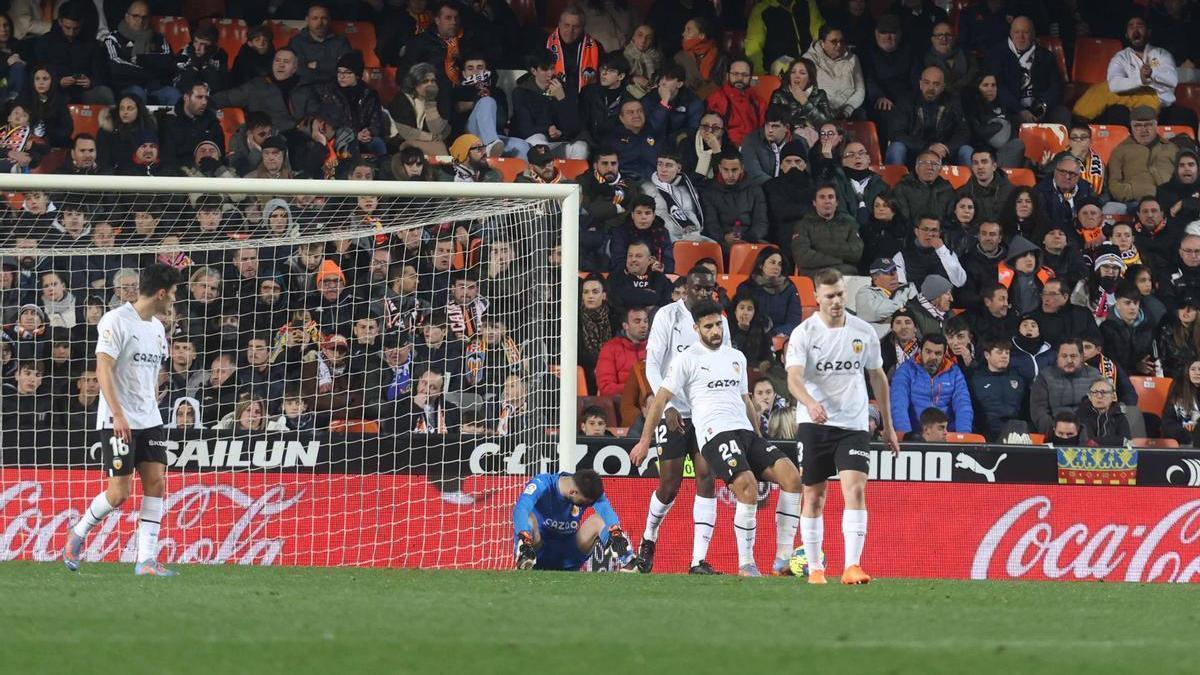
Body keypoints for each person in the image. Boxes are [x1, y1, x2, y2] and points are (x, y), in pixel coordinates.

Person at [632, 298, 805, 577]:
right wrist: (644, 440)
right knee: (745, 487)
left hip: (746, 433)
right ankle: (746, 564)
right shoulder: (686, 360)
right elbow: (660, 399)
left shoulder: (736, 358)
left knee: (793, 478)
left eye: (718, 325)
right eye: (708, 326)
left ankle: (782, 560)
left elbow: (746, 400)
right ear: (696, 328)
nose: (715, 331)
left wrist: (759, 438)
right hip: (715, 435)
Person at [63, 263, 182, 576]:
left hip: (150, 418)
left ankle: (145, 560)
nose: (173, 299)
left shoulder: (157, 327)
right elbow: (103, 368)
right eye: (171, 294)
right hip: (118, 419)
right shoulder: (115, 320)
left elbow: (153, 372)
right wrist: (118, 413)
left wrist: (152, 398)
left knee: (156, 482)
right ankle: (79, 531)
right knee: (119, 494)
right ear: (160, 293)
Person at [785, 267, 900, 584]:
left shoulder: (863, 332)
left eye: (840, 295)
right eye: (829, 296)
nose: (836, 301)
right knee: (814, 495)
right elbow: (793, 378)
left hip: (852, 424)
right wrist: (810, 402)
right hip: (814, 423)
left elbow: (877, 377)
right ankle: (816, 568)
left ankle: (852, 566)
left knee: (856, 488)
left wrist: (888, 426)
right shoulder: (804, 334)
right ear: (817, 297)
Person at [628, 268, 727, 575]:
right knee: (669, 485)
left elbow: (724, 361)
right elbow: (653, 366)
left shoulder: (718, 320)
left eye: (708, 289)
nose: (702, 294)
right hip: (674, 411)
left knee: (706, 478)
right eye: (697, 288)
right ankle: (648, 539)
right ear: (686, 288)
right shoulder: (667, 317)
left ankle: (698, 560)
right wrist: (666, 403)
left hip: (705, 412)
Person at [1074, 16, 1195, 129]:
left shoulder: (1162, 54)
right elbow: (1114, 84)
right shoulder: (1120, 58)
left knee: (1186, 115)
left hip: (1161, 105)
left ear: (1148, 32)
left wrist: (1151, 74)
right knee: (1107, 96)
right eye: (1131, 27)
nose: (1135, 30)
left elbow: (1172, 80)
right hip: (1130, 105)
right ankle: (1078, 121)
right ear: (1127, 35)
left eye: (1140, 26)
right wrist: (1140, 80)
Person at [513, 469, 636, 571]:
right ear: (573, 492)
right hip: (538, 551)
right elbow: (521, 507)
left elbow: (606, 511)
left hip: (569, 554)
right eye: (584, 502)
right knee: (528, 516)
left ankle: (630, 562)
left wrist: (615, 533)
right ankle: (525, 556)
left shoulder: (585, 488)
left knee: (600, 521)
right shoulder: (542, 483)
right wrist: (525, 535)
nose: (585, 505)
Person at [983, 16, 1068, 125]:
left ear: (1033, 34)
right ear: (1010, 33)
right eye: (1016, 32)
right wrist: (1020, 110)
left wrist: (1043, 105)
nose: (1020, 37)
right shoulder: (996, 55)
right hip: (1011, 110)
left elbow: (1056, 85)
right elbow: (998, 88)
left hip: (1040, 109)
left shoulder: (1045, 56)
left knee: (1063, 114)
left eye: (1025, 32)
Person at [885, 65, 971, 167]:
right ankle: (894, 182)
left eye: (936, 84)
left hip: (943, 152)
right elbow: (896, 133)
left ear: (943, 87)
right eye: (927, 83)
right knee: (896, 147)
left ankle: (974, 183)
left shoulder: (953, 101)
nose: (931, 88)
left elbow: (964, 131)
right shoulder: (906, 101)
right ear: (920, 84)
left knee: (967, 151)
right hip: (914, 150)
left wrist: (947, 148)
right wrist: (927, 147)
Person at [890, 333, 974, 435]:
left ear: (944, 354)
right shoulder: (906, 370)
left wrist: (963, 437)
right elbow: (898, 405)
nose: (933, 357)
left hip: (946, 436)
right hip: (915, 435)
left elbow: (963, 405)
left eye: (938, 353)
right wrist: (906, 436)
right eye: (928, 352)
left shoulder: (954, 372)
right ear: (920, 351)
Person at [1106, 106, 1180, 214]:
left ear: (1156, 125)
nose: (1143, 130)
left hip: (1170, 203)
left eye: (1148, 125)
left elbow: (1183, 177)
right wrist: (1133, 192)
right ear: (1131, 127)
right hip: (1135, 204)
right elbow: (1113, 184)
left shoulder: (1172, 149)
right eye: (1137, 126)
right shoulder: (1120, 151)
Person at [1030, 338, 1104, 436]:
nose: (1069, 360)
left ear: (1081, 357)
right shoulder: (1045, 377)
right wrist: (1056, 432)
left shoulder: (1094, 375)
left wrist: (1084, 433)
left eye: (1073, 356)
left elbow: (1103, 407)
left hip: (1088, 434)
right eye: (1064, 356)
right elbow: (1039, 411)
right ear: (1057, 357)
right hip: (1056, 433)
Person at [790, 183, 863, 276]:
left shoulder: (849, 222)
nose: (827, 201)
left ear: (837, 202)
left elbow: (856, 252)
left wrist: (820, 247)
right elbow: (802, 257)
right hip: (814, 276)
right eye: (822, 197)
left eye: (831, 197)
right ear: (814, 202)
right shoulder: (803, 225)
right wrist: (838, 260)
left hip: (845, 275)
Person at [700, 149, 768, 249]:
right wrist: (723, 237)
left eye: (734, 170)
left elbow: (761, 221)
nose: (730, 175)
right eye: (726, 170)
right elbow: (711, 223)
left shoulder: (754, 189)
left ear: (742, 169)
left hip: (750, 240)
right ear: (719, 168)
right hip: (721, 243)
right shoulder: (710, 191)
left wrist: (748, 237)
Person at [970, 340, 1029, 441]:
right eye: (999, 352)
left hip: (1016, 433)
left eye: (1007, 353)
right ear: (987, 355)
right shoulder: (976, 380)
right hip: (987, 434)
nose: (1004, 356)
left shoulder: (1019, 379)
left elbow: (1026, 409)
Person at [801, 25, 865, 120]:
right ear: (822, 43)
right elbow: (804, 91)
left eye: (841, 41)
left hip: (849, 110)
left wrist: (847, 110)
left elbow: (860, 90)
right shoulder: (809, 59)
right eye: (834, 42)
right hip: (820, 111)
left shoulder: (853, 59)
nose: (839, 45)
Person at [734, 247, 801, 337]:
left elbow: (794, 321)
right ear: (761, 265)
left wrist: (773, 334)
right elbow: (741, 317)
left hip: (780, 336)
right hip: (751, 336)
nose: (776, 267)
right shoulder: (746, 287)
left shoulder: (789, 288)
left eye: (779, 264)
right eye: (772, 262)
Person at [744, 0, 823, 74]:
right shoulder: (761, 10)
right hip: (781, 62)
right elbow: (753, 46)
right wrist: (759, 74)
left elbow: (819, 33)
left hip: (808, 58)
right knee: (787, 65)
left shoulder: (807, 3)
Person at [1100, 280, 1159, 377]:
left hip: (1144, 378)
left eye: (1135, 303)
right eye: (1127, 303)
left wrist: (1149, 366)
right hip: (1116, 379)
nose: (1133, 307)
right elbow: (1109, 363)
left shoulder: (1149, 324)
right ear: (1117, 303)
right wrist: (1135, 367)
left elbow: (1154, 356)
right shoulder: (1106, 328)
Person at [704, 59, 762, 146]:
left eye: (745, 75)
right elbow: (712, 131)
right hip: (727, 147)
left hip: (754, 148)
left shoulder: (758, 101)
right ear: (727, 76)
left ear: (751, 77)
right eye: (735, 74)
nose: (740, 78)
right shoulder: (716, 99)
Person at [595, 306, 649, 396]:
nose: (643, 325)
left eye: (645, 321)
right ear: (625, 326)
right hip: (621, 402)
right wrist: (638, 389)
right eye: (637, 321)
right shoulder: (610, 348)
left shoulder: (657, 346)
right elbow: (606, 387)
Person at [1076, 378, 1132, 446]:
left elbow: (1126, 440)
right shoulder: (1081, 414)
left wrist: (1121, 441)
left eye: (1104, 392)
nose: (1099, 396)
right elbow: (1088, 441)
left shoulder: (1119, 415)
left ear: (1113, 396)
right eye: (1095, 392)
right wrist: (1117, 440)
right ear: (1090, 396)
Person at [1162, 359, 1200, 446]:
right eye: (1193, 369)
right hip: (1184, 441)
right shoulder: (1178, 394)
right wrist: (1188, 436)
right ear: (1186, 372)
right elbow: (1167, 424)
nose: (1197, 373)